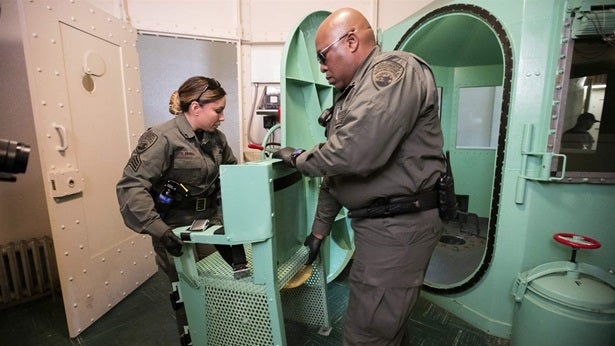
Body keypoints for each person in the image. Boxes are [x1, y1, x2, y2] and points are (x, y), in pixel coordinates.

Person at [273, 8, 449, 345]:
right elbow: (337, 176)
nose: (322, 67)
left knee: (367, 334)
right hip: (379, 226)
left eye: (324, 57)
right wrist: (318, 233)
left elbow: (351, 155)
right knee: (386, 324)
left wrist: (296, 158)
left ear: (351, 41)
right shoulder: (353, 94)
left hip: (398, 227)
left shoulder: (393, 72)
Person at [116, 76, 246, 344]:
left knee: (217, 287)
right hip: (175, 230)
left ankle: (222, 338)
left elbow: (230, 176)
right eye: (218, 110)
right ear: (196, 107)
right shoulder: (161, 138)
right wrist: (160, 231)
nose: (222, 117)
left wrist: (225, 219)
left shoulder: (217, 140)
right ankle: (194, 339)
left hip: (208, 226)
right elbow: (131, 187)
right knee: (188, 295)